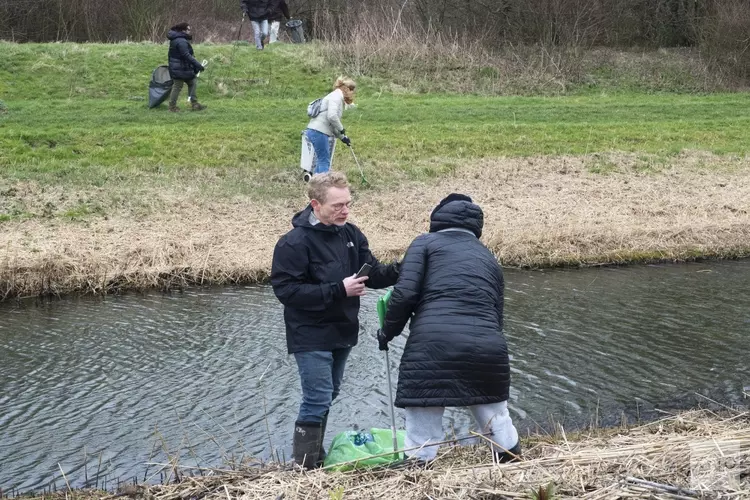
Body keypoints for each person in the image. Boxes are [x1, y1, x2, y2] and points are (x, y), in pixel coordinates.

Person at [376, 193, 522, 465]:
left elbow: (405, 294)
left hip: (433, 344)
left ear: (438, 218)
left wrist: (387, 332)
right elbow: (496, 313)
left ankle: (419, 470)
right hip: (487, 346)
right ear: (476, 225)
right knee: (496, 418)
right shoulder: (488, 257)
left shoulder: (425, 243)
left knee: (423, 421)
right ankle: (511, 464)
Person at [271, 171, 400, 469]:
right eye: (337, 206)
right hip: (309, 332)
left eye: (348, 204)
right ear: (315, 204)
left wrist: (407, 267)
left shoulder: (351, 234)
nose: (345, 211)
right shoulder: (293, 243)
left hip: (343, 329)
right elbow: (287, 291)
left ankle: (315, 459)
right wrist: (339, 289)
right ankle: (304, 466)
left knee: (330, 394)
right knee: (317, 398)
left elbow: (374, 274)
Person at [304, 77, 356, 176]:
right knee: (324, 161)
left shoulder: (336, 97)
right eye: (351, 90)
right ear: (346, 88)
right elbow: (332, 116)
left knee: (321, 160)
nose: (352, 93)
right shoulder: (336, 96)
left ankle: (317, 184)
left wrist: (343, 137)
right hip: (318, 131)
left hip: (316, 130)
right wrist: (341, 128)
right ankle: (323, 186)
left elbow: (332, 123)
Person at [166, 23, 206, 112]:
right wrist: (198, 65)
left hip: (182, 67)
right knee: (177, 86)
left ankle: (194, 104)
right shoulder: (181, 41)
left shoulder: (176, 39)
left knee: (192, 82)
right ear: (183, 30)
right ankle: (172, 107)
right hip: (180, 68)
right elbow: (186, 55)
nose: (189, 31)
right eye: (188, 29)